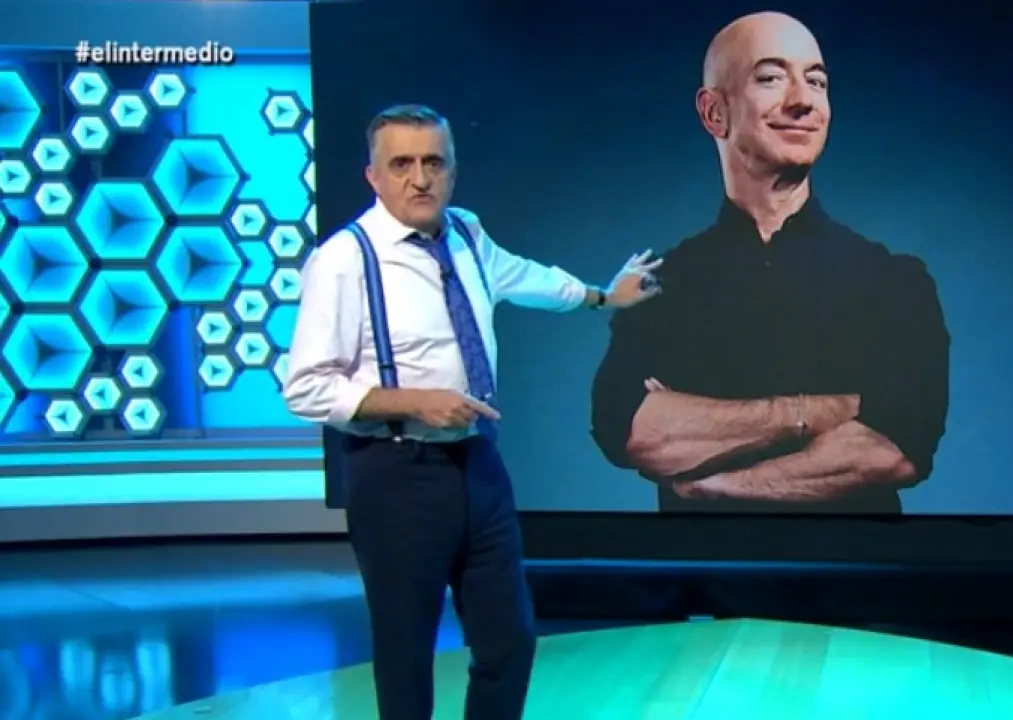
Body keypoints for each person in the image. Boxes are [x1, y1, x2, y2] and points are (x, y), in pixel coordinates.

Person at [282, 104, 660, 720]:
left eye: (433, 162)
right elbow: (305, 387)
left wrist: (601, 297)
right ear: (373, 176)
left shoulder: (465, 233)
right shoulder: (344, 260)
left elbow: (525, 278)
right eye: (401, 164)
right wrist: (414, 402)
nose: (420, 179)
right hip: (395, 474)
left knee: (509, 642)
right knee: (406, 656)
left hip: (478, 466)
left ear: (452, 171)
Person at [589, 12, 950, 515]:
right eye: (771, 78)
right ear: (714, 112)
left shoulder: (894, 281)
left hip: (852, 567)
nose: (803, 101)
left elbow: (897, 448)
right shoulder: (658, 285)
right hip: (702, 568)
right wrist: (821, 411)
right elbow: (629, 433)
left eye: (817, 81)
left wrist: (716, 484)